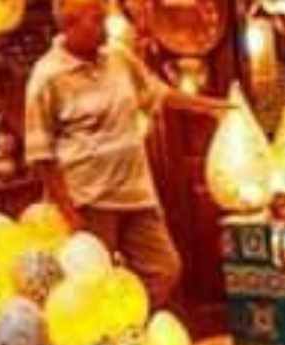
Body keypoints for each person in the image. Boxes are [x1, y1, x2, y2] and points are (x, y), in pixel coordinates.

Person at [24, 0, 224, 307]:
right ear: (70, 25)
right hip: (89, 201)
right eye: (96, 20)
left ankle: (136, 322)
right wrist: (69, 213)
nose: (105, 27)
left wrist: (210, 107)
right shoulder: (47, 76)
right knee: (94, 285)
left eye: (104, 18)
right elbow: (41, 156)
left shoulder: (117, 57)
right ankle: (118, 333)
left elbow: (157, 94)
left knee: (164, 269)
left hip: (135, 194)